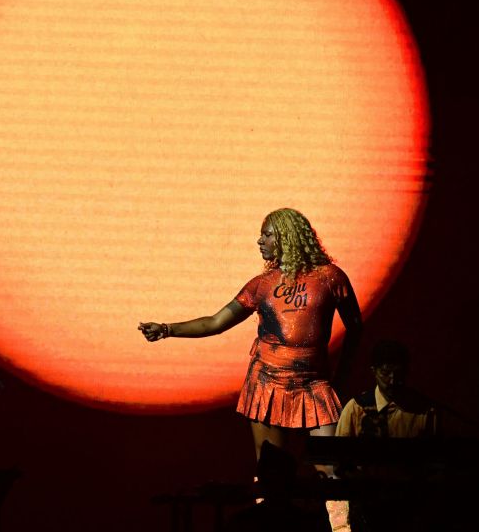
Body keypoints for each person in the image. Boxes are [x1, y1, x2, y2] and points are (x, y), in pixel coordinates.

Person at [139, 208, 362, 470]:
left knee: (331, 468)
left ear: (286, 237)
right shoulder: (261, 285)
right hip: (267, 383)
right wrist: (167, 329)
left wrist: (342, 375)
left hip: (315, 384)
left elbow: (356, 328)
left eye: (267, 235)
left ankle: (337, 513)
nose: (260, 241)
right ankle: (268, 511)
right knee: (271, 469)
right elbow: (216, 322)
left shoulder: (330, 277)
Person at [330, 339, 437, 531]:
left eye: (398, 374)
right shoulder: (356, 408)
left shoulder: (425, 410)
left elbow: (435, 463)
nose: (393, 381)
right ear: (373, 371)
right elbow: (339, 461)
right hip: (365, 506)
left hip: (409, 508)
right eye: (386, 373)